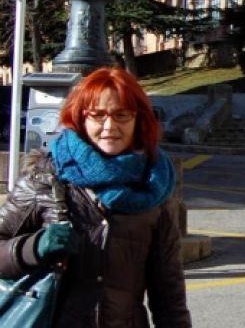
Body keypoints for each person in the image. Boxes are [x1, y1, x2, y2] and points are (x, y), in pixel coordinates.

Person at [0, 67, 191, 328]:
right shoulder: (46, 176)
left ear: (138, 119)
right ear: (81, 118)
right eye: (97, 115)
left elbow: (168, 293)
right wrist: (32, 247)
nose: (110, 126)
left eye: (122, 115)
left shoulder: (154, 185)